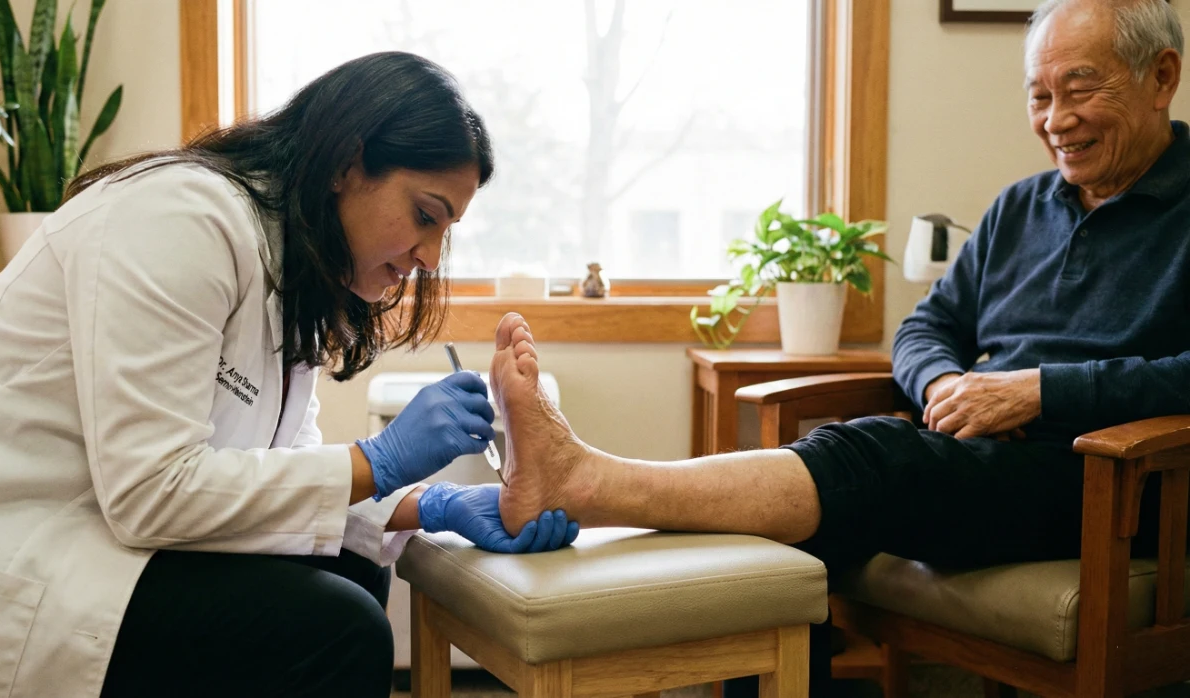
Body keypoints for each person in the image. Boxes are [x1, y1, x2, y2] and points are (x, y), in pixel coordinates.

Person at [485, 0, 1189, 694]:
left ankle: (592, 482)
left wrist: (1039, 391)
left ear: (1161, 78)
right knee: (774, 535)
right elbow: (925, 329)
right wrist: (945, 385)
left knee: (872, 458)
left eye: (1080, 89)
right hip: (985, 460)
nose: (1056, 119)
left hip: (1114, 483)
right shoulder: (1020, 209)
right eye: (1039, 95)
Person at [0, 52, 578, 698]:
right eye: (425, 216)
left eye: (446, 230)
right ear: (347, 164)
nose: (430, 256)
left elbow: (277, 465)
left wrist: (429, 505)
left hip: (95, 524)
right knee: (338, 631)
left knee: (353, 568)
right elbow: (149, 493)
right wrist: (379, 460)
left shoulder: (293, 266)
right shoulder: (181, 219)